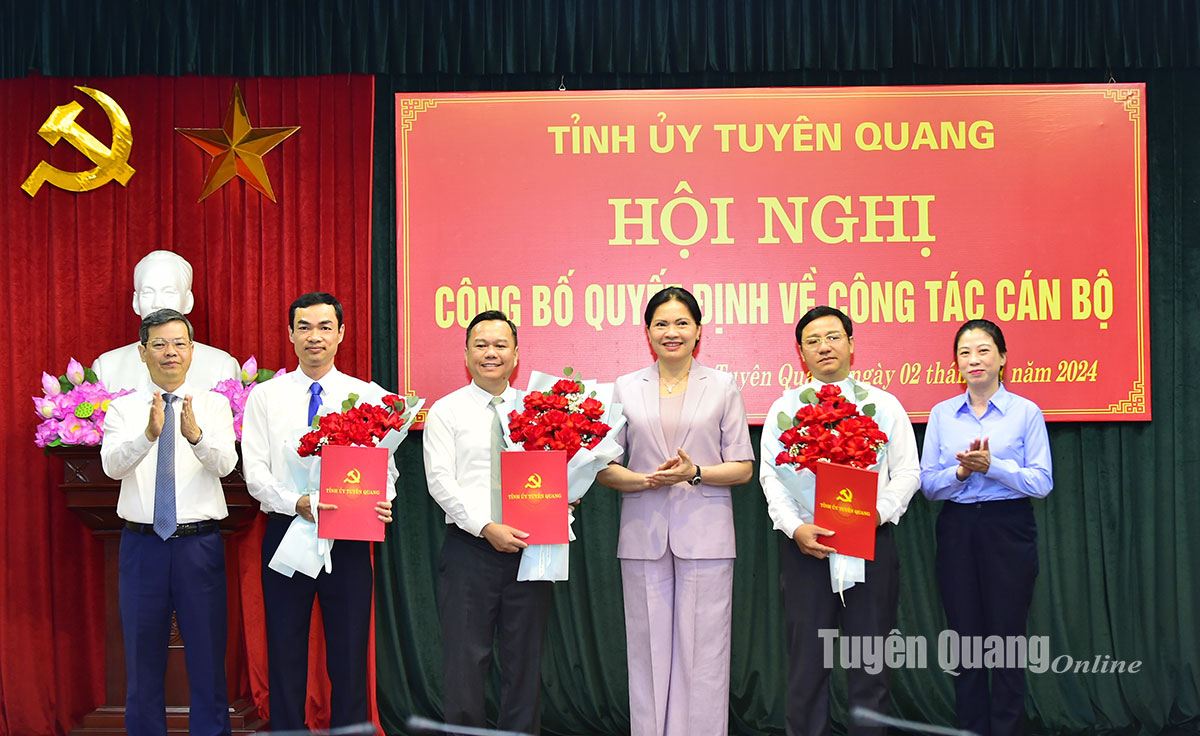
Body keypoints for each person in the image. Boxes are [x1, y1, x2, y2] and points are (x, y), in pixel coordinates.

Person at [597, 287, 754, 736]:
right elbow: (605, 467)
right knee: (647, 651)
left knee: (703, 651)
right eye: (662, 324)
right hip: (643, 530)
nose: (672, 332)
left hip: (705, 531)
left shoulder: (723, 385)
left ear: (698, 330)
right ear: (648, 332)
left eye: (682, 323)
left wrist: (695, 472)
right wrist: (644, 480)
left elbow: (742, 467)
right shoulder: (626, 387)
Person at [760, 305, 920, 736]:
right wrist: (796, 528)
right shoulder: (785, 410)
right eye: (812, 341)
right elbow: (771, 478)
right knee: (806, 667)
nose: (824, 347)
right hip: (807, 549)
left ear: (851, 344)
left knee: (871, 666)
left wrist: (875, 516)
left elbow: (907, 473)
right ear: (800, 352)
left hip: (872, 545)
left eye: (833, 337)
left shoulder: (882, 405)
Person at [241, 292, 396, 730]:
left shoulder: (367, 396)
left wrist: (383, 498)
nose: (315, 337)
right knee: (285, 647)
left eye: (325, 327)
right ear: (290, 334)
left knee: (348, 651)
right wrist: (297, 503)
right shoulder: (265, 398)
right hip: (288, 529)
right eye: (304, 327)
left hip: (348, 535)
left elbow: (388, 467)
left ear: (341, 333)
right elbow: (255, 472)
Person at [100, 308, 238, 736]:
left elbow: (227, 464)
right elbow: (111, 467)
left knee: (208, 659)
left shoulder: (213, 405)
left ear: (192, 351)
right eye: (159, 344)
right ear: (143, 352)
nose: (170, 353)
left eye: (179, 344)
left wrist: (195, 436)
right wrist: (148, 434)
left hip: (199, 546)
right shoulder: (123, 409)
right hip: (143, 548)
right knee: (142, 661)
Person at [920, 319, 1053, 736]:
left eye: (983, 350)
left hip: (1008, 527)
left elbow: (1042, 482)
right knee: (964, 637)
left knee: (1008, 637)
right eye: (964, 352)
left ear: (1002, 357)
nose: (974, 359)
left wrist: (993, 466)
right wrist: (960, 472)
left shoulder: (1026, 412)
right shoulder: (942, 414)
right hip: (958, 528)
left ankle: (1009, 728)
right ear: (955, 362)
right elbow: (927, 484)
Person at [423, 310, 553, 734]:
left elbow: (561, 471)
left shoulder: (539, 411)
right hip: (469, 548)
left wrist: (563, 502)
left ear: (516, 355)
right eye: (481, 345)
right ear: (466, 354)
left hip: (531, 548)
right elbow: (441, 482)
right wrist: (485, 526)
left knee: (524, 659)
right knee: (465, 660)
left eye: (500, 345)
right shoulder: (446, 411)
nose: (490, 353)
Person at [93, 250, 239, 392]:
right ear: (135, 302)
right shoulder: (107, 368)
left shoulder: (222, 367)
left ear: (188, 301)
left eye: (169, 292)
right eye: (148, 292)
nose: (158, 303)